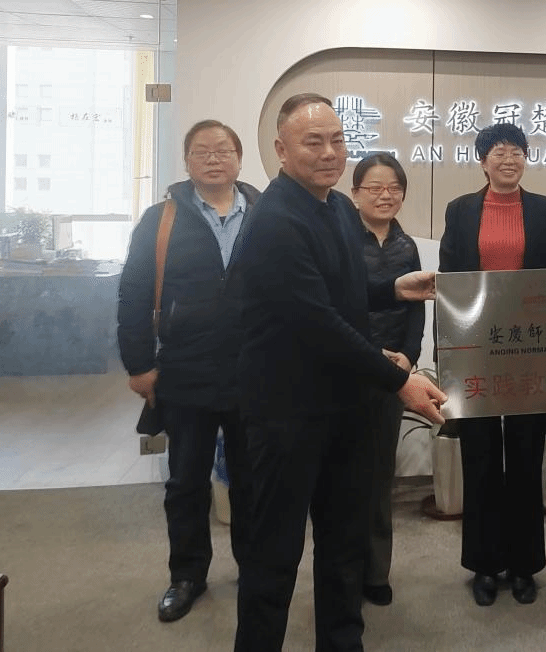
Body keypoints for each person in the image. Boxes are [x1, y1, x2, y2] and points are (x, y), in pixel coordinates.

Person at [232, 93, 446, 652]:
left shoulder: (336, 209)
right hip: (287, 415)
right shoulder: (275, 221)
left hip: (345, 410)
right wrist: (399, 382)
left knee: (344, 543)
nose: (329, 153)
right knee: (274, 554)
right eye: (313, 142)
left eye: (337, 140)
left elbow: (340, 292)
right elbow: (318, 323)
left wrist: (392, 288)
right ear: (281, 149)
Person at [117, 119, 258, 623]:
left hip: (253, 372)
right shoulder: (161, 218)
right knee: (186, 482)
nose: (213, 159)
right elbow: (133, 292)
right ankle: (187, 575)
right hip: (185, 370)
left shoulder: (265, 213)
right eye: (202, 151)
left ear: (239, 158)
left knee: (253, 481)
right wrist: (139, 364)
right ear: (187, 161)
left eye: (223, 150)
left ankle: (255, 570)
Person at [438, 122, 546, 608]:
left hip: (530, 348)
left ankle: (524, 564)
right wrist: (449, 353)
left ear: (526, 159)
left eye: (516, 151)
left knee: (526, 454)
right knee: (481, 457)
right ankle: (484, 564)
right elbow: (450, 282)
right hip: (476, 349)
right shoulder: (460, 210)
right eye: (498, 152)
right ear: (483, 161)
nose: (508, 159)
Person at [351, 153, 426, 608]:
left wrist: (409, 358)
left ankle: (376, 571)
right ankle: (345, 569)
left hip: (393, 377)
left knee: (381, 476)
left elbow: (415, 307)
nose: (385, 195)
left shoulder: (406, 245)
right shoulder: (340, 241)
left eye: (394, 188)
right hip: (346, 370)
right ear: (355, 193)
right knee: (345, 477)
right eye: (375, 188)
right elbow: (336, 308)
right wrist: (370, 352)